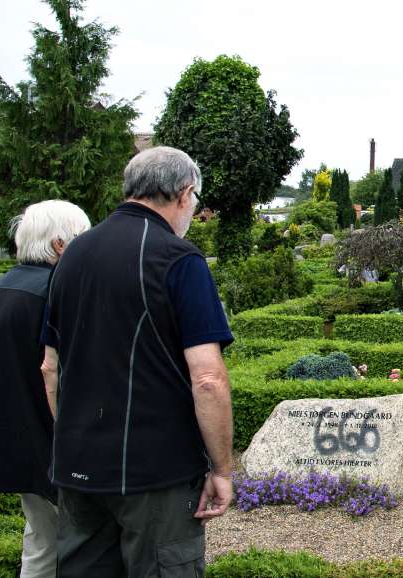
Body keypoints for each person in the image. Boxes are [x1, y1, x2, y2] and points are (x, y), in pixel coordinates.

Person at [41, 147, 235, 576]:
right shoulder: (178, 259)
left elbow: (49, 368)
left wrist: (76, 438)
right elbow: (207, 379)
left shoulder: (71, 256)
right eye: (195, 202)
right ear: (184, 194)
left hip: (77, 467)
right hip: (155, 473)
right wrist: (222, 469)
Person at [0, 200, 91, 578]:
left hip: (16, 443)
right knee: (87, 548)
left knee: (40, 543)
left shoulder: (0, 290)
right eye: (82, 239)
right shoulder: (57, 291)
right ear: (61, 244)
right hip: (57, 446)